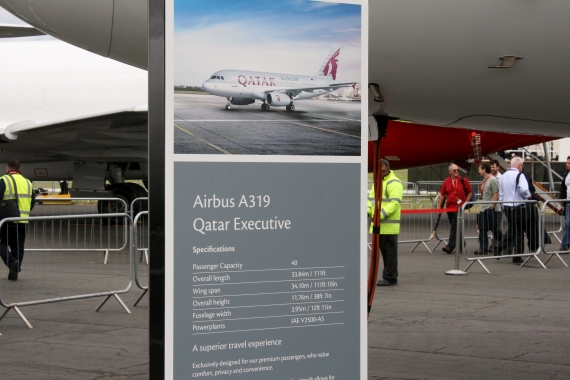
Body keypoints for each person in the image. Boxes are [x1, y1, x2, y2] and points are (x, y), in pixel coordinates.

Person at [367, 159, 403, 286]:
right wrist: (367, 211)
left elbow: (394, 203)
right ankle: (388, 276)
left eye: (383, 171)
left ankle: (390, 277)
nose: (381, 173)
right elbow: (370, 200)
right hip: (379, 226)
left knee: (389, 254)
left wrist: (378, 215)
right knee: (385, 254)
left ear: (388, 169)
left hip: (388, 226)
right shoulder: (377, 182)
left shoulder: (394, 183)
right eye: (379, 171)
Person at [0, 159, 34, 281]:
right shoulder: (28, 182)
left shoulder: (4, 180)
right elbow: (32, 202)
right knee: (18, 246)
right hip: (23, 220)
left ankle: (11, 262)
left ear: (8, 168)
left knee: (2, 242)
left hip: (7, 219)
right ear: (19, 169)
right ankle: (15, 269)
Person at [499, 157, 530, 263]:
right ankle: (517, 255)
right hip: (518, 206)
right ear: (520, 166)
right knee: (519, 231)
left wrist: (503, 205)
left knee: (513, 228)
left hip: (507, 206)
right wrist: (529, 196)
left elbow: (501, 193)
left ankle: (500, 246)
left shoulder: (503, 176)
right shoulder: (520, 175)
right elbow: (524, 189)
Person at [437, 164, 472, 254]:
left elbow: (470, 192)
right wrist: (439, 207)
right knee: (456, 227)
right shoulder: (446, 182)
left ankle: (450, 246)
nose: (456, 172)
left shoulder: (463, 180)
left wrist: (465, 203)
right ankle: (461, 244)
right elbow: (442, 195)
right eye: (454, 170)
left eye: (457, 170)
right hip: (450, 208)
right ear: (450, 172)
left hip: (459, 207)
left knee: (454, 226)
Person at [474, 163, 502, 255]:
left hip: (491, 208)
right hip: (483, 208)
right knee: (482, 228)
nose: (478, 171)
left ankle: (506, 243)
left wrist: (491, 206)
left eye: (479, 169)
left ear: (484, 170)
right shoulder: (484, 180)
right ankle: (483, 248)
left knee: (495, 229)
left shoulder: (493, 180)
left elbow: (496, 194)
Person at [559, 156, 570, 251]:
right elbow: (563, 189)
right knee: (568, 224)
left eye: (569, 163)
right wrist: (562, 203)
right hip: (568, 202)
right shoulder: (566, 175)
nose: (567, 164)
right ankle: (565, 244)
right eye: (566, 162)